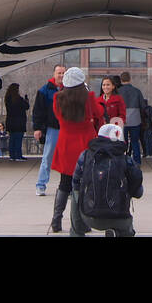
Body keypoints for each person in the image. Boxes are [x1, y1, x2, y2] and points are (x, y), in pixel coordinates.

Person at [49, 67, 104, 234]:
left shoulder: (58, 98)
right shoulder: (88, 98)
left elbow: (57, 115)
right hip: (86, 142)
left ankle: (56, 219)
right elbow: (99, 112)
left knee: (64, 183)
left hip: (66, 142)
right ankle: (81, 221)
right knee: (84, 184)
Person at [71, 123, 144, 237]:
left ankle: (77, 232)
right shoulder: (126, 160)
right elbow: (139, 192)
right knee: (126, 193)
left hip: (89, 216)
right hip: (119, 217)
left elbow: (75, 183)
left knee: (76, 193)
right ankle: (121, 232)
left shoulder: (84, 156)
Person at [33, 64, 67, 195]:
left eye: (63, 73)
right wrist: (37, 128)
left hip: (67, 128)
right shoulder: (45, 90)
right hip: (52, 129)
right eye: (59, 73)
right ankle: (41, 185)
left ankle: (66, 186)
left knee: (67, 158)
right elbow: (38, 111)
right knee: (47, 157)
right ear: (54, 74)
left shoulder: (70, 90)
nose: (61, 75)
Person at [116, 71, 146, 165]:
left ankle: (123, 161)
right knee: (135, 141)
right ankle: (137, 161)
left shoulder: (118, 91)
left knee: (122, 142)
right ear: (130, 79)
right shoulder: (137, 91)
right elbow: (143, 105)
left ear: (121, 80)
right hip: (135, 119)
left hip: (122, 119)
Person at [3, 83, 30, 161]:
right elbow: (26, 107)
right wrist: (26, 101)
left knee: (12, 139)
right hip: (19, 122)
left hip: (10, 121)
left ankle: (12, 155)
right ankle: (18, 155)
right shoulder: (19, 99)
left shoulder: (7, 98)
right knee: (18, 139)